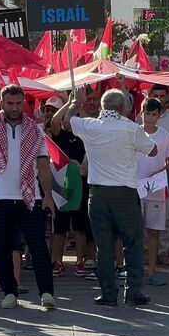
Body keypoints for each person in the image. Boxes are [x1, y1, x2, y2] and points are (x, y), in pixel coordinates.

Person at [60, 88, 157, 307]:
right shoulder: (131, 129)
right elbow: (152, 151)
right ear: (122, 107)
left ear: (103, 106)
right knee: (132, 243)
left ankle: (108, 293)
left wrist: (76, 102)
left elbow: (66, 123)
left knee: (104, 246)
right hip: (124, 193)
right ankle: (133, 291)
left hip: (98, 193)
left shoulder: (90, 126)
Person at [0, 83, 57, 310]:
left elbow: (43, 165)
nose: (15, 107)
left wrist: (47, 195)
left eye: (18, 103)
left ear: (23, 103)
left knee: (38, 247)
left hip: (30, 197)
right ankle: (9, 292)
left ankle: (46, 293)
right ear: (3, 103)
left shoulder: (35, 130)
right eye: (10, 103)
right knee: (2, 247)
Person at [136, 98, 169, 286]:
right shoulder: (133, 132)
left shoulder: (164, 135)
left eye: (154, 114)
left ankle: (151, 272)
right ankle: (132, 271)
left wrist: (159, 174)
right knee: (133, 232)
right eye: (147, 113)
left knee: (154, 232)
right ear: (141, 113)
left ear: (159, 115)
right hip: (135, 189)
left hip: (156, 189)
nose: (150, 118)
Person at [49, 95, 90, 277]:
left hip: (80, 184)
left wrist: (78, 105)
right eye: (67, 117)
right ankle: (57, 262)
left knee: (80, 227)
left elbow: (89, 118)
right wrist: (68, 103)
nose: (68, 120)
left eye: (72, 118)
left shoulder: (85, 135)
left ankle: (80, 261)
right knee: (59, 228)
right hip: (61, 184)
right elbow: (55, 120)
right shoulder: (60, 135)